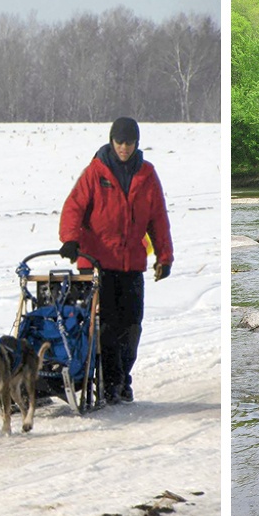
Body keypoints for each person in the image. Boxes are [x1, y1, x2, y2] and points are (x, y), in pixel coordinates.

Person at [58, 117, 173, 405]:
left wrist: (164, 256)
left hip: (131, 264)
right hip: (97, 264)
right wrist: (70, 240)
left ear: (136, 143)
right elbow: (74, 208)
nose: (123, 148)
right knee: (106, 328)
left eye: (129, 143)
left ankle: (122, 378)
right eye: (119, 143)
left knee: (132, 326)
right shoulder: (95, 173)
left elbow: (158, 219)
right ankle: (110, 384)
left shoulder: (147, 175)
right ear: (111, 142)